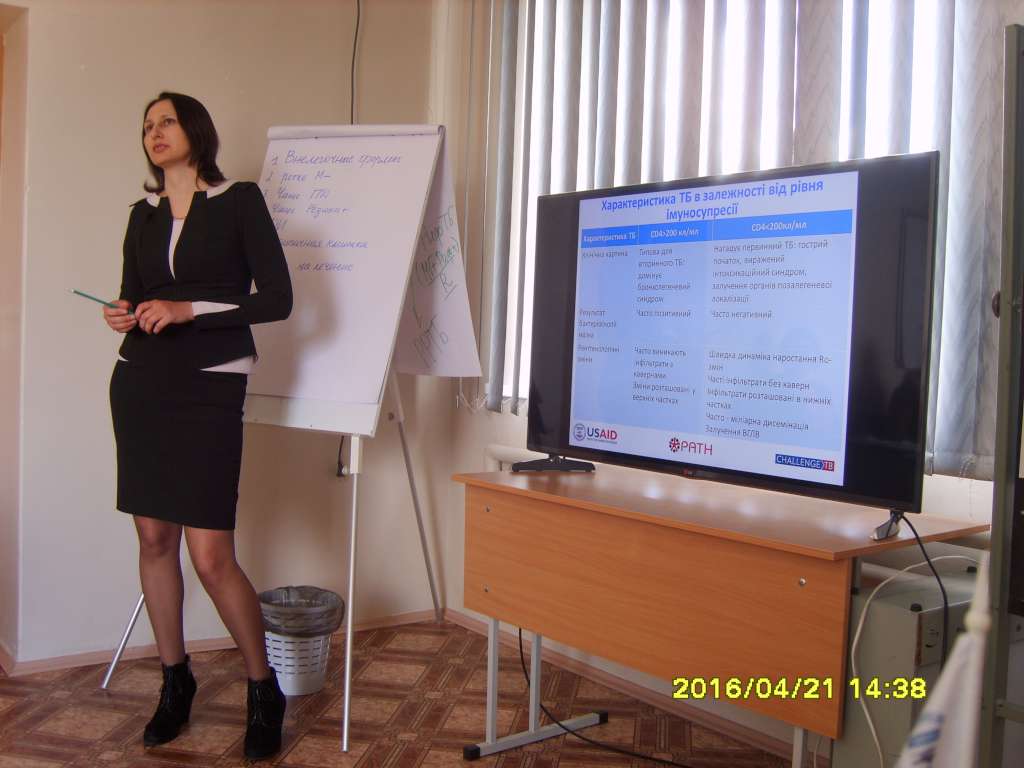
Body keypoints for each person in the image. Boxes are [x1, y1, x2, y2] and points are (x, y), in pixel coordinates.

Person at [103, 91, 292, 760]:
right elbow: (133, 295)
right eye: (146, 125)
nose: (154, 132)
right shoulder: (142, 214)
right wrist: (123, 313)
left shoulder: (239, 201)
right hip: (142, 383)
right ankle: (175, 681)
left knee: (211, 555)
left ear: (196, 130)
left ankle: (263, 689)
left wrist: (190, 311)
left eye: (167, 121)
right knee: (154, 538)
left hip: (211, 382)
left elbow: (277, 299)